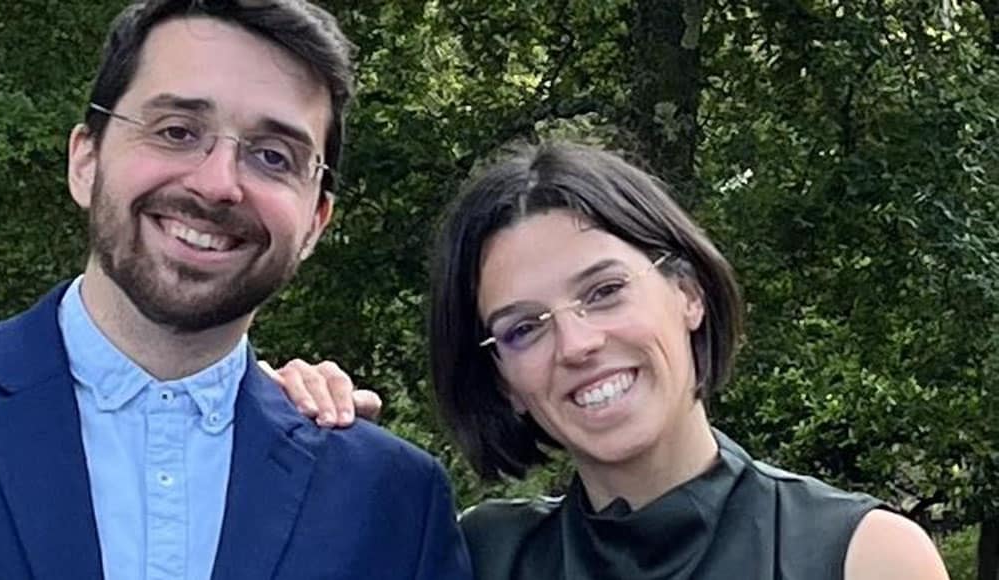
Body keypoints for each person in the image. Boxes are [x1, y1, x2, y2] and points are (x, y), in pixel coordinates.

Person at [282, 142, 949, 579]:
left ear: (687, 293)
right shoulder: (482, 556)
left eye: (603, 293)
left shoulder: (861, 555)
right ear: (503, 382)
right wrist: (268, 430)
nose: (577, 345)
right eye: (523, 329)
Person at [0, 1, 471, 579]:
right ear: (85, 161)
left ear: (315, 222)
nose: (217, 184)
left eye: (272, 157)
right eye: (177, 131)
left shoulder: (392, 503)